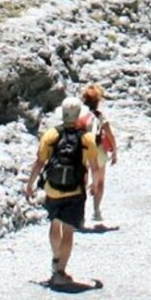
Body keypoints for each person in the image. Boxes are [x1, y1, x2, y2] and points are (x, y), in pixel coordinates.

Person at [23, 97, 102, 288]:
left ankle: (55, 259)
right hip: (75, 190)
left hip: (53, 188)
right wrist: (95, 184)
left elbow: (40, 162)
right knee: (68, 230)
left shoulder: (51, 135)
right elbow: (94, 166)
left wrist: (30, 184)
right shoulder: (86, 139)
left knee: (55, 223)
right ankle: (61, 271)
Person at [82, 83, 118, 226]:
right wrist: (115, 151)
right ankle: (96, 210)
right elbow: (110, 135)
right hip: (98, 150)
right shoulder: (100, 116)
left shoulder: (80, 116)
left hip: (83, 150)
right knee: (100, 181)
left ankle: (81, 213)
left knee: (82, 182)